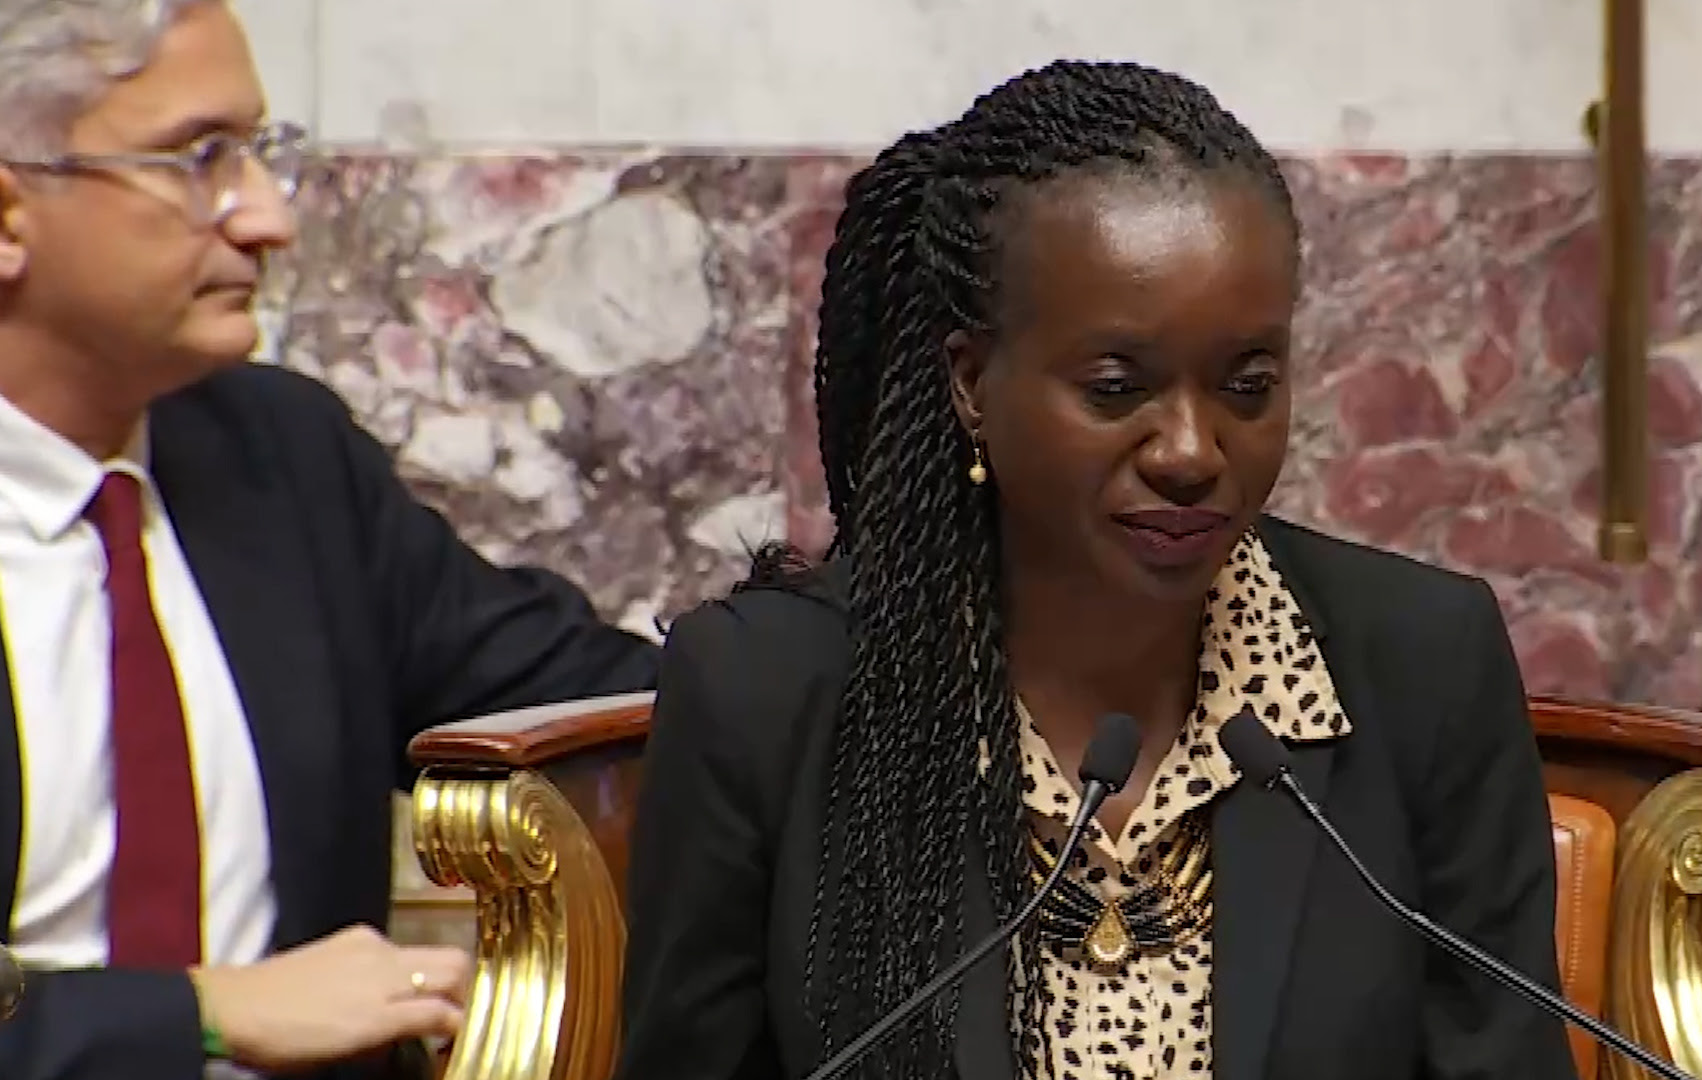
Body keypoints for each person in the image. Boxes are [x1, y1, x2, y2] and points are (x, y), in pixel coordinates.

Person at [619, 59, 1580, 1080]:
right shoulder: (767, 700)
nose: (1190, 451)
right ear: (972, 383)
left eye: (1247, 387)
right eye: (1117, 388)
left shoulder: (1421, 669)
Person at [0, 2, 661, 1079]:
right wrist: (201, 1015)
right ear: (10, 211)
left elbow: (591, 703)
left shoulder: (282, 458)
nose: (266, 219)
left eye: (261, 155)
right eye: (199, 157)